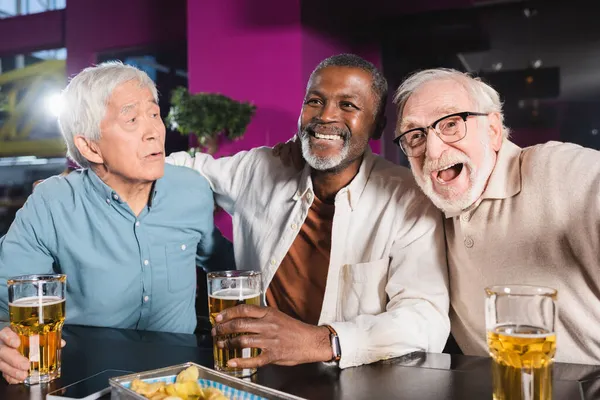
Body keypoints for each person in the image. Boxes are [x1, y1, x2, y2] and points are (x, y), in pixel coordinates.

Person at [167, 54, 450, 370]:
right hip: (253, 374)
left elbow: (426, 319)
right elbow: (181, 169)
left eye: (348, 106)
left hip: (354, 384)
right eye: (315, 101)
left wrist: (322, 341)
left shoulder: (408, 197)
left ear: (377, 126)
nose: (326, 116)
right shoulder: (261, 168)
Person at [0, 62, 234, 383]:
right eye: (132, 119)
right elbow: (4, 302)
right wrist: (5, 343)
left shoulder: (192, 189)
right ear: (90, 146)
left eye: (154, 115)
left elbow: (225, 267)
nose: (154, 131)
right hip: (84, 376)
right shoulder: (51, 202)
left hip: (178, 380)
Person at [393, 68, 600, 364]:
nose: (433, 150)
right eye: (415, 135)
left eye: (451, 124)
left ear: (492, 130)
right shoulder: (424, 214)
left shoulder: (557, 169)